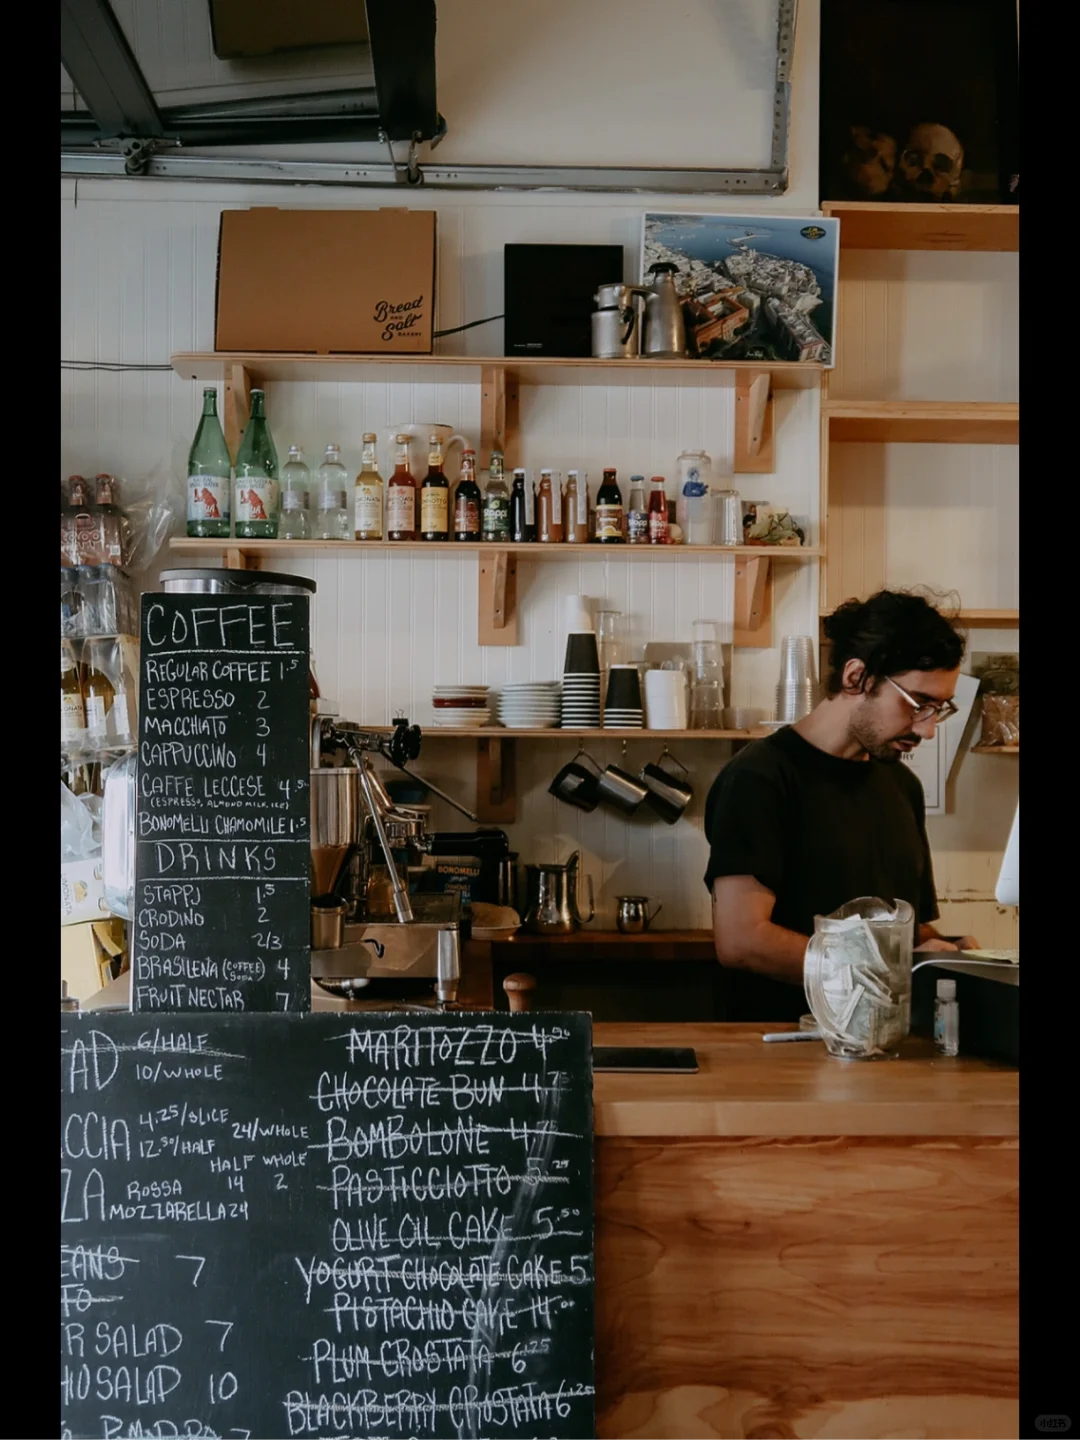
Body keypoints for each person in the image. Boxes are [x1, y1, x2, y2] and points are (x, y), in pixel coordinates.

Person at [703, 590, 979, 1022]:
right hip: (780, 1051)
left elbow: (904, 931)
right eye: (918, 704)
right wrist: (888, 969)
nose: (927, 731)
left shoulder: (902, 785)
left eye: (939, 709)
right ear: (857, 677)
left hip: (880, 1042)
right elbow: (742, 941)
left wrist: (950, 951)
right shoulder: (759, 778)